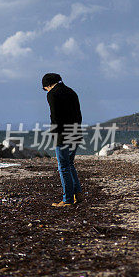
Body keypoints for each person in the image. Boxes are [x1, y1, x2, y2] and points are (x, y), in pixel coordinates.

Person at [42, 72, 83, 207]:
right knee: (69, 163)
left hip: (62, 134)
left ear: (48, 85)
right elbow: (79, 115)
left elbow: (55, 116)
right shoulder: (72, 92)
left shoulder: (52, 94)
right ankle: (78, 194)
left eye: (45, 88)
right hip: (76, 132)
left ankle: (68, 200)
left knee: (63, 166)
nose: (46, 91)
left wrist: (55, 134)